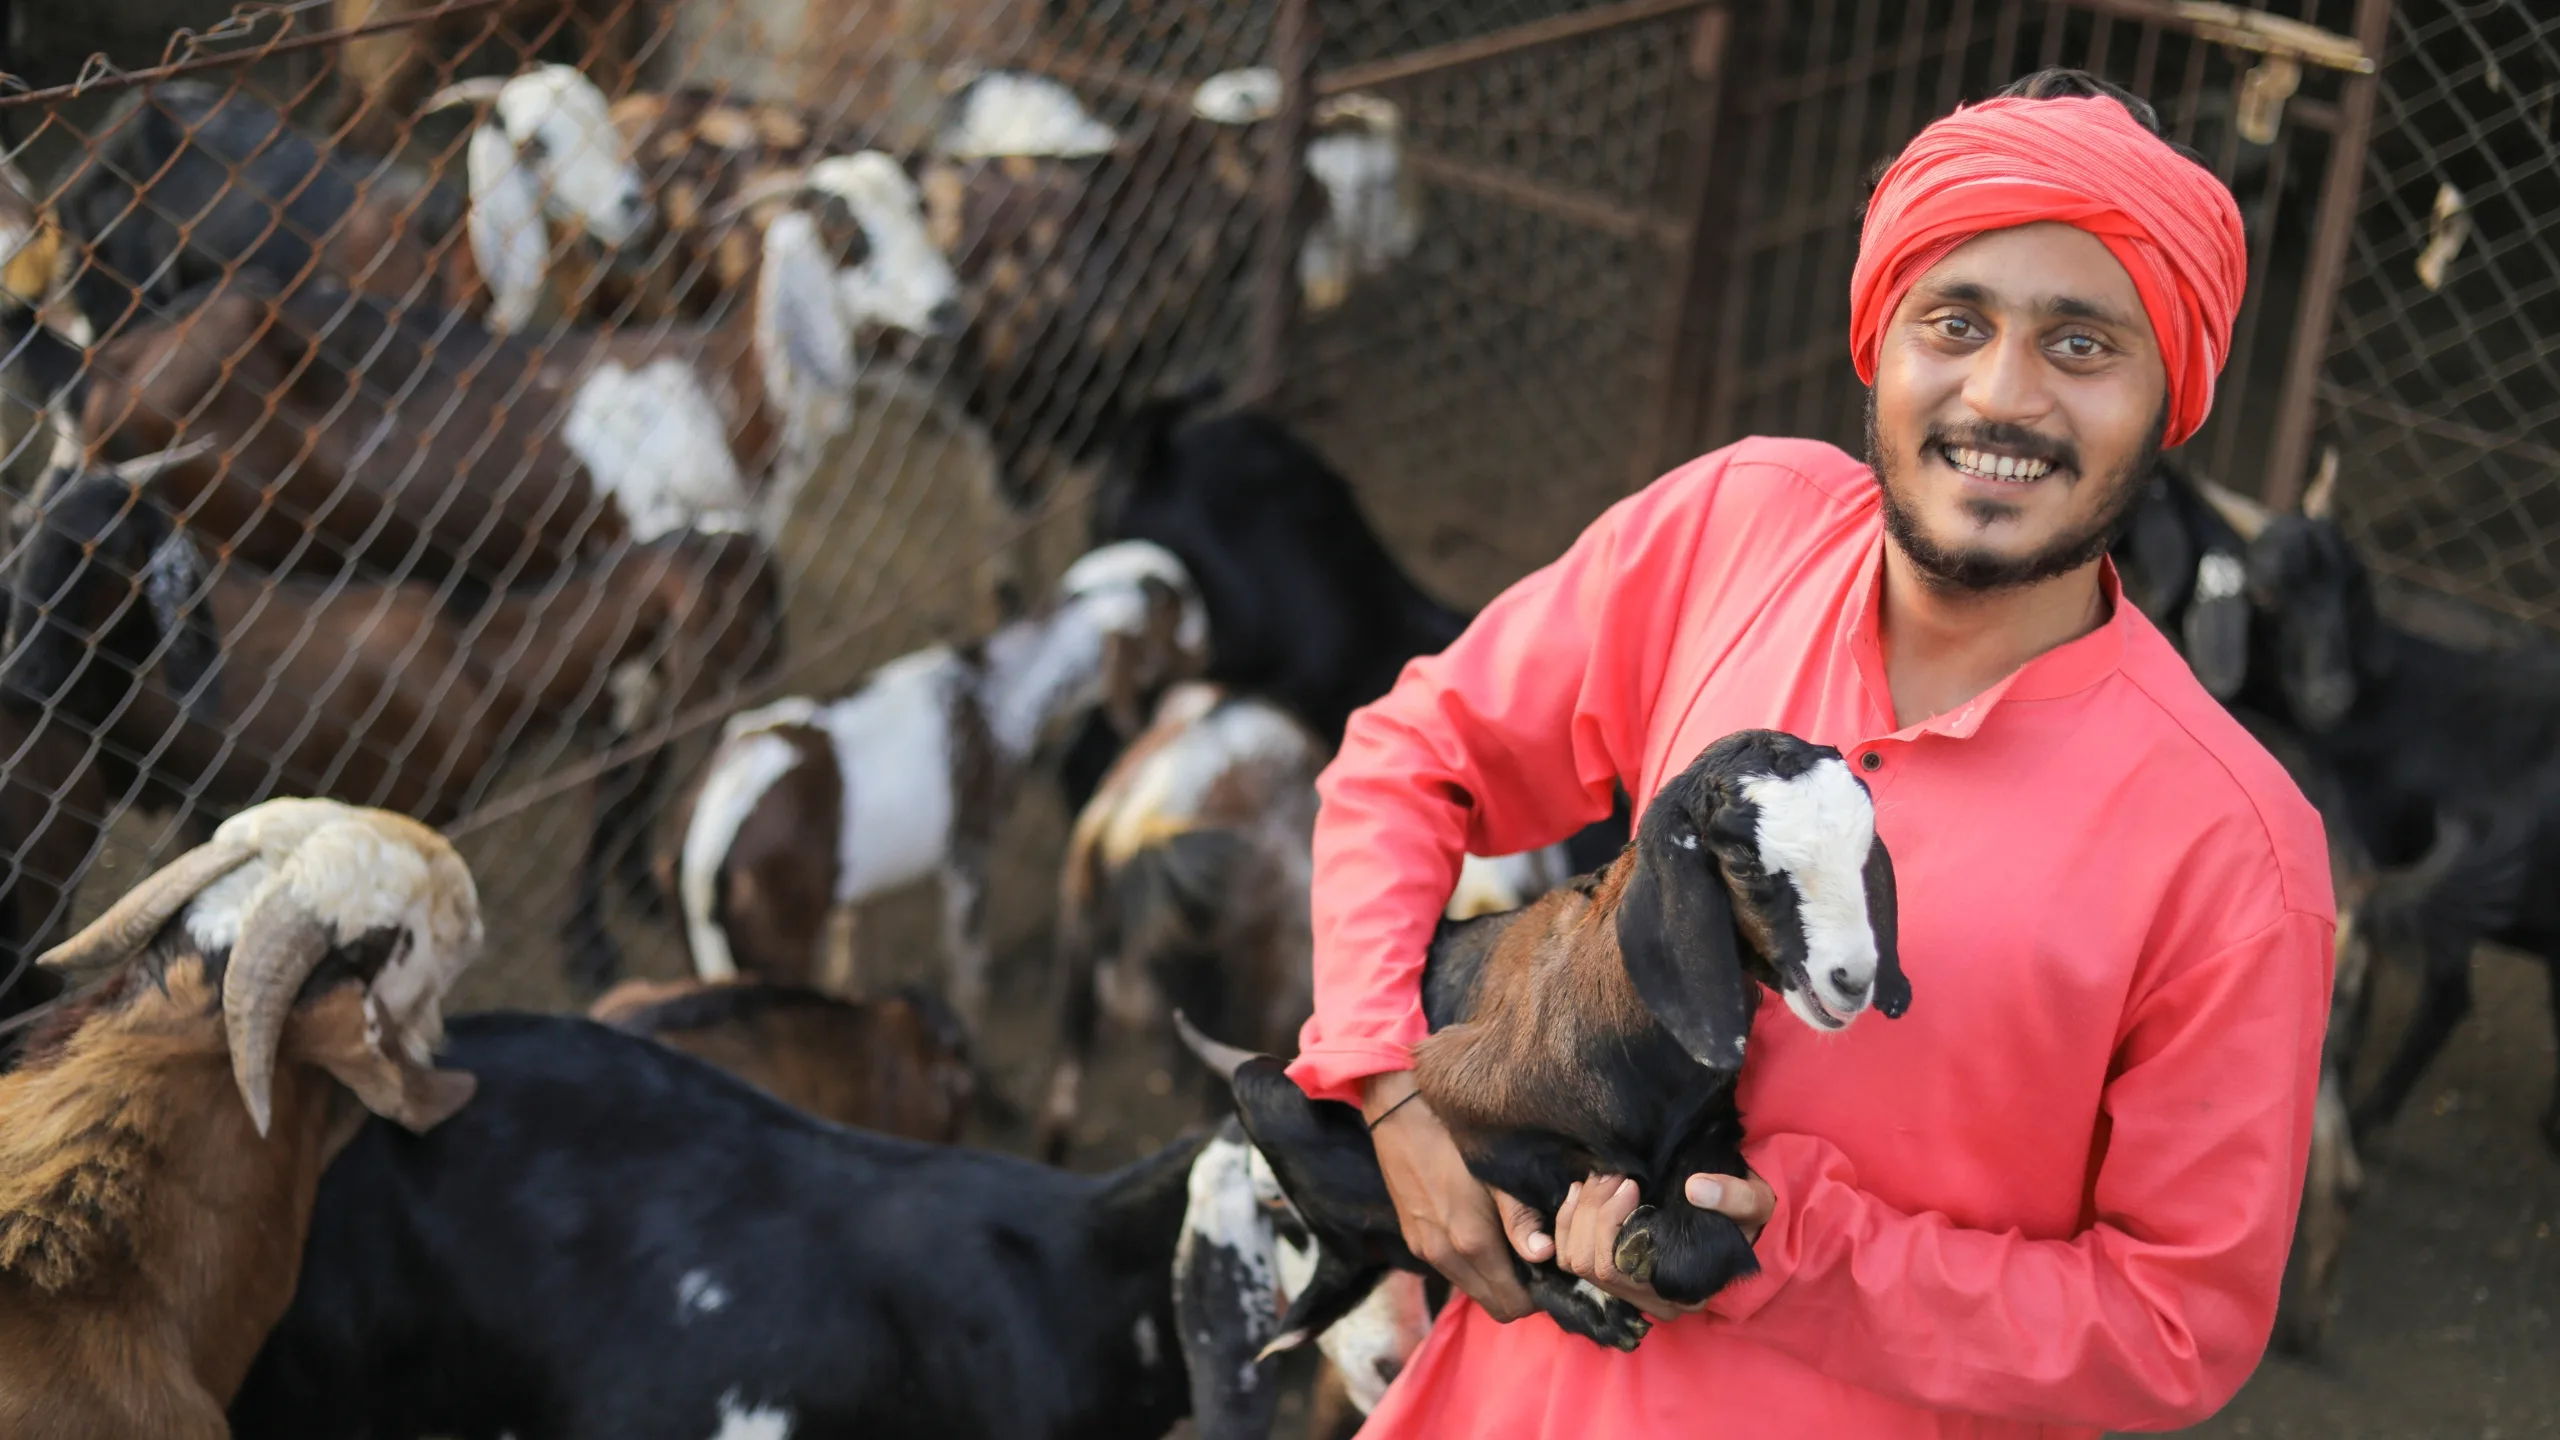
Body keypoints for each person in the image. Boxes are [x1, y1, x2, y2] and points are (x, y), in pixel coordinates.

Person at [1286, 70, 2335, 1437]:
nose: (2003, 398)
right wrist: (1380, 1086)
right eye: (1954, 323)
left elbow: (2174, 1323)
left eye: (2084, 347)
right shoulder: (1736, 531)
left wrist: (1792, 1256)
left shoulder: (2232, 849)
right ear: (1879, 341)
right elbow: (1415, 754)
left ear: (2169, 397)